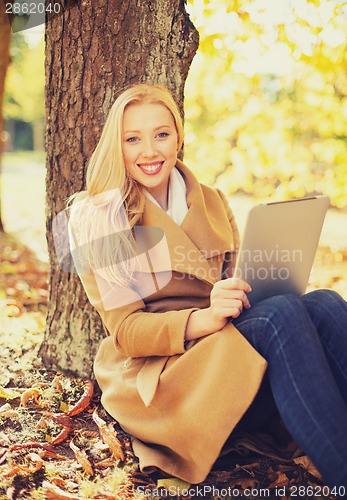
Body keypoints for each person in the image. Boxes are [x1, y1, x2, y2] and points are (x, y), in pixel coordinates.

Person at [68, 83, 347, 491]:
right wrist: (205, 317)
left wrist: (254, 286)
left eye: (161, 134)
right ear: (118, 145)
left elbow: (240, 285)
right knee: (283, 314)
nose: (150, 151)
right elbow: (127, 333)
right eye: (133, 139)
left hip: (226, 355)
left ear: (178, 137)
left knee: (322, 303)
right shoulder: (99, 216)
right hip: (169, 377)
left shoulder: (212, 200)